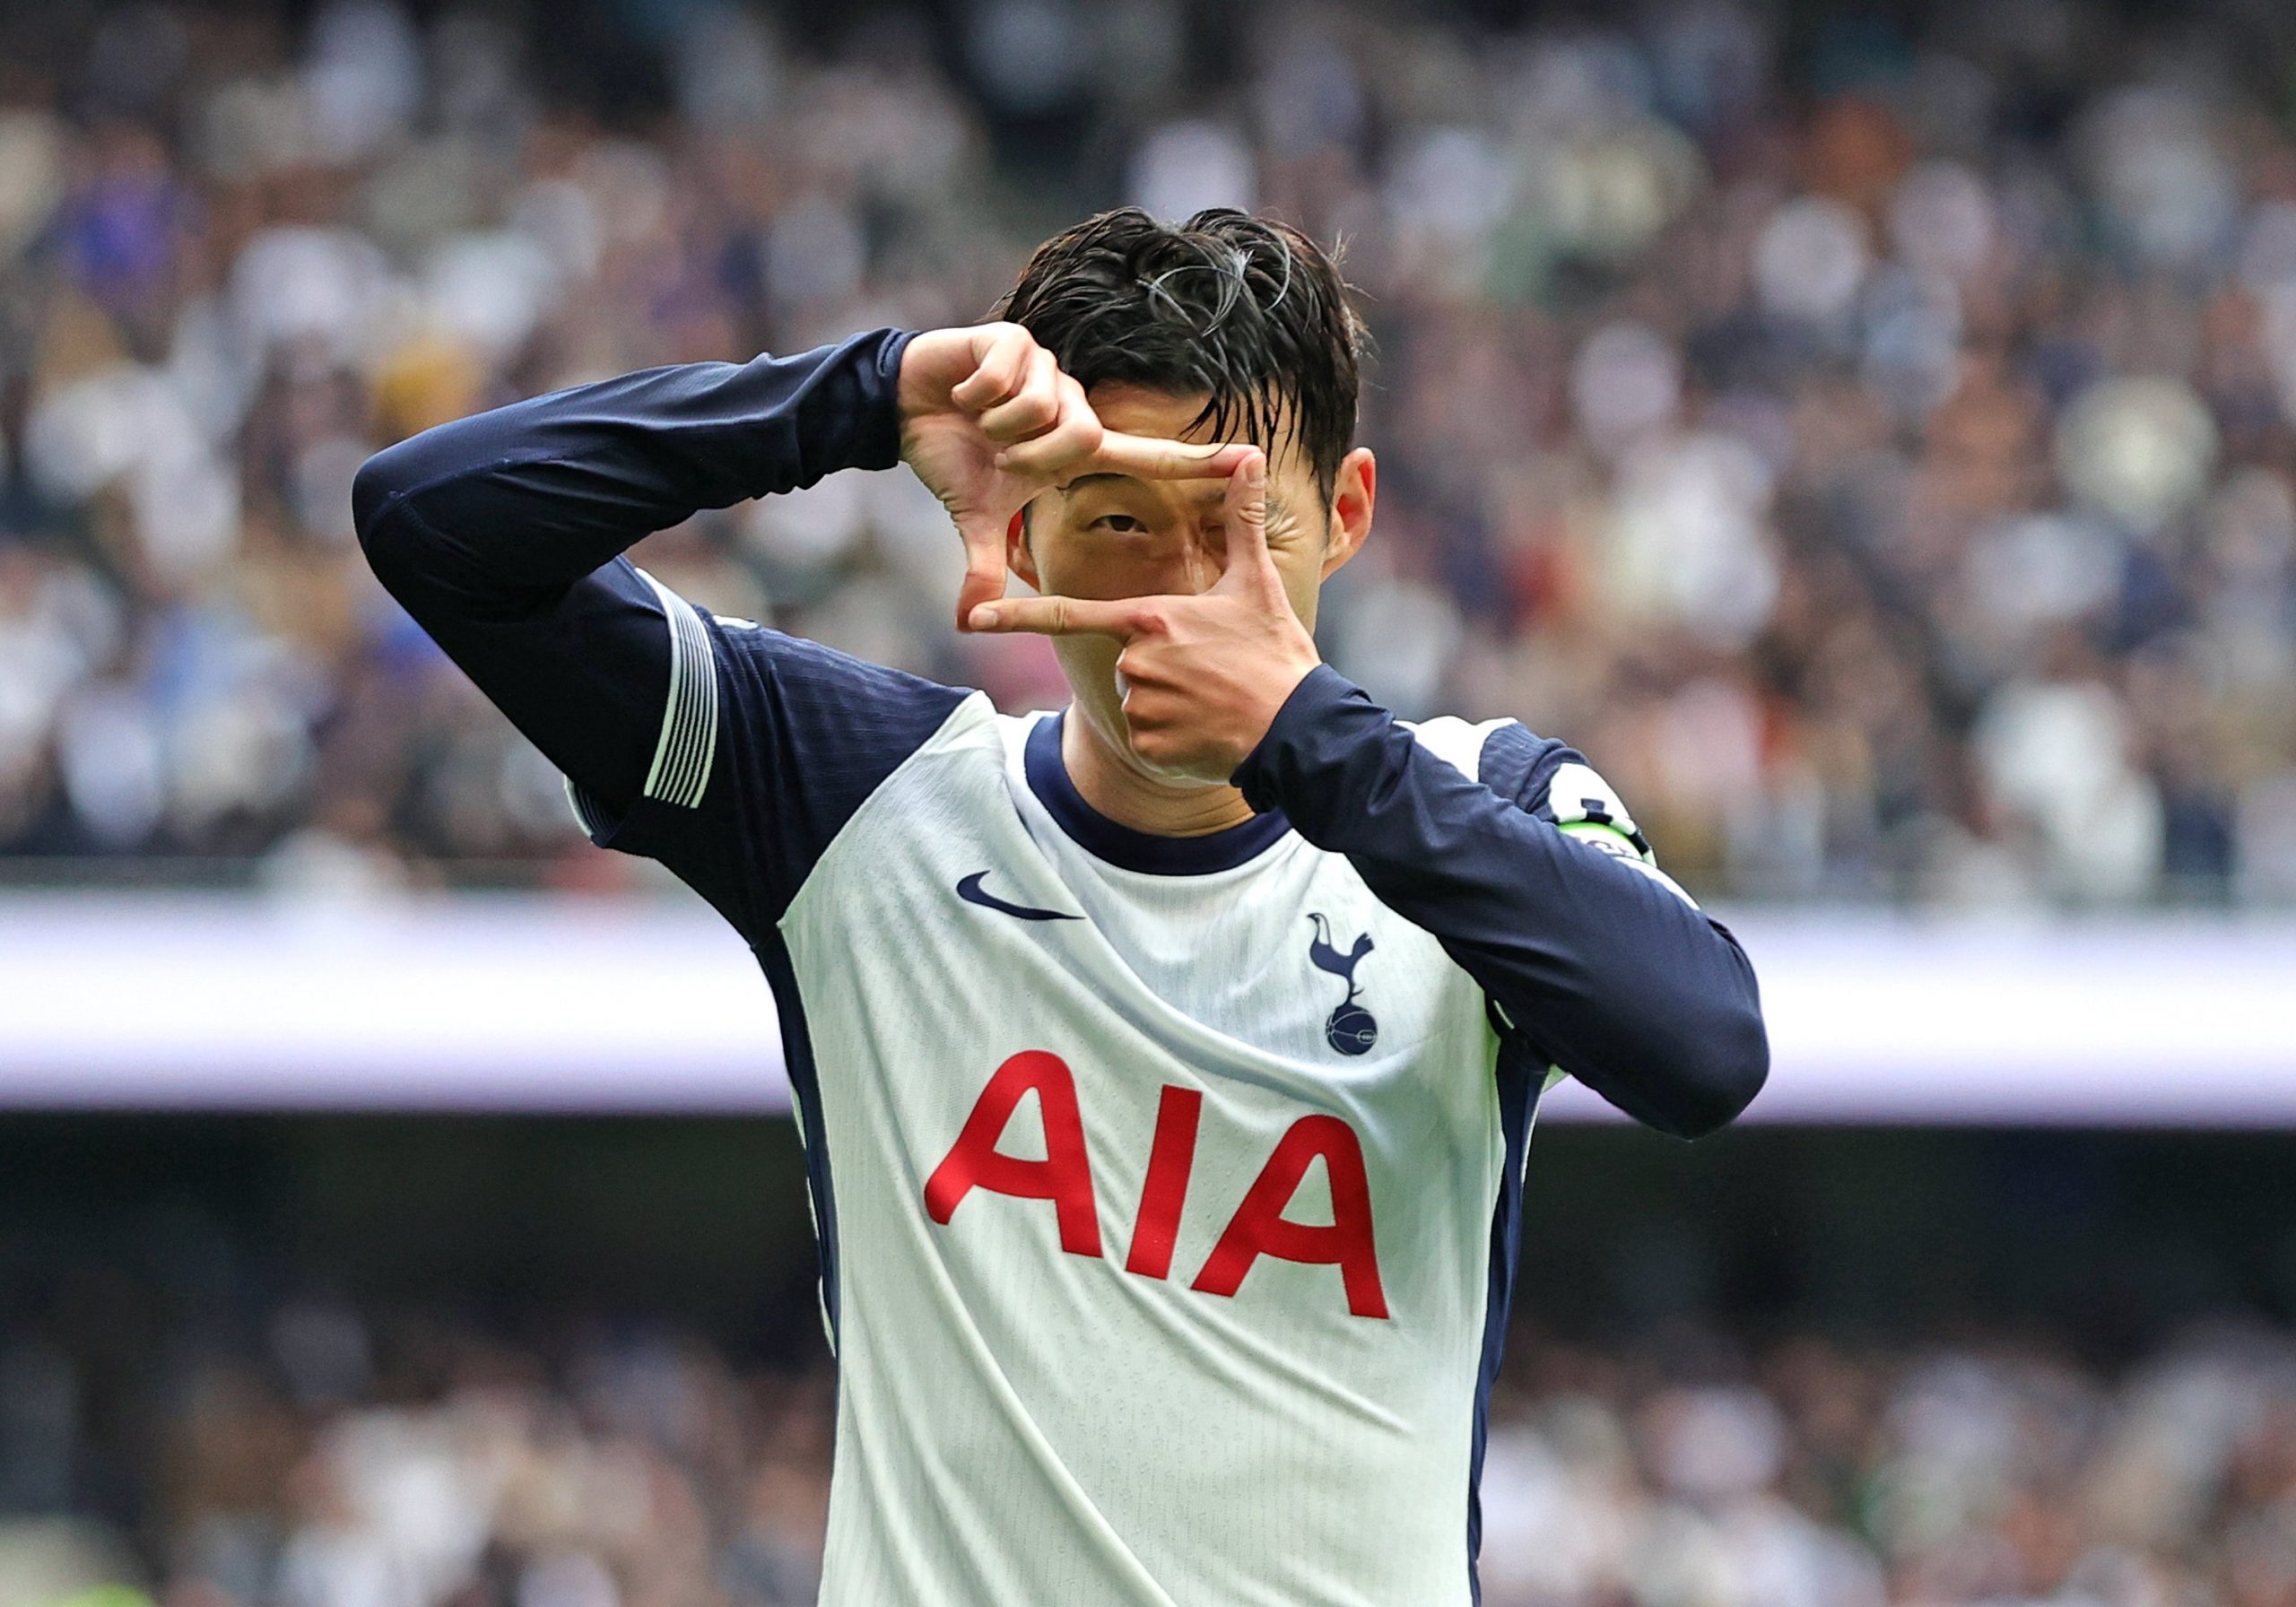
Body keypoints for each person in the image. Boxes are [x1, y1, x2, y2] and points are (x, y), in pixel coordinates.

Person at [353, 206, 1769, 1606]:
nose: (1175, 594)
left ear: (1342, 518)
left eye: (1233, 524)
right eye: (1113, 520)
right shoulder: (855, 799)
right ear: (1020, 536)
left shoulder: (1484, 798)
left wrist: (1308, 739)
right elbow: (432, 520)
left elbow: (1705, 1048)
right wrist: (861, 397)